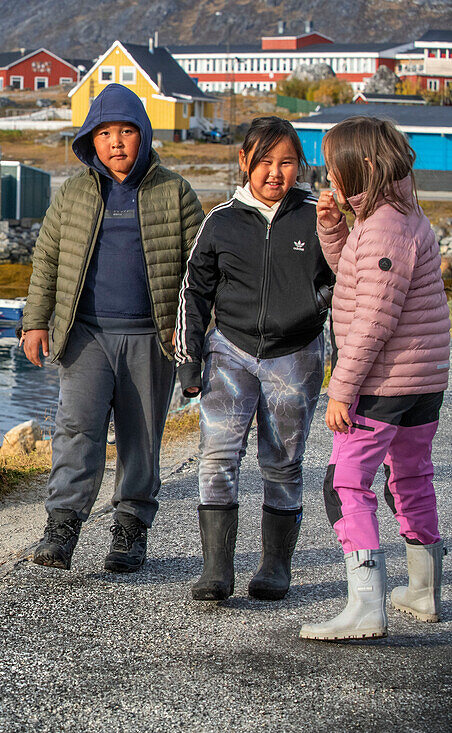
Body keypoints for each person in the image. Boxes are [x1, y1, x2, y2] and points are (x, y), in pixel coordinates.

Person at [21, 83, 204, 573]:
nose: (117, 142)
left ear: (143, 134)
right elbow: (47, 259)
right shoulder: (75, 193)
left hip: (153, 337)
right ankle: (62, 527)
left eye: (127, 131)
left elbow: (198, 271)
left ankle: (129, 531)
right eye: (105, 134)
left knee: (141, 437)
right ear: (91, 141)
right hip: (86, 335)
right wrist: (35, 322)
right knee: (76, 428)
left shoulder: (175, 191)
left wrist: (192, 342)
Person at [299, 116, 450, 641]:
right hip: (423, 379)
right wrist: (334, 228)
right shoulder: (397, 213)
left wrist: (342, 388)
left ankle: (366, 606)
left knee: (344, 484)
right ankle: (422, 590)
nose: (328, 178)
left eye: (333, 168)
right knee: (409, 476)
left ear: (361, 166)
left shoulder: (384, 224)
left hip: (384, 382)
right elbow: (359, 275)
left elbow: (372, 317)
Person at [175, 117, 333, 602]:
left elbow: (345, 282)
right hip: (230, 351)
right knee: (217, 457)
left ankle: (274, 567)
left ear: (299, 166)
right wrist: (189, 357)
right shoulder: (220, 220)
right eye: (264, 161)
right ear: (245, 162)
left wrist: (318, 307)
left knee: (283, 462)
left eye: (286, 162)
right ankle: (216, 571)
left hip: (296, 356)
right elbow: (195, 291)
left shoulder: (317, 216)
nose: (274, 172)